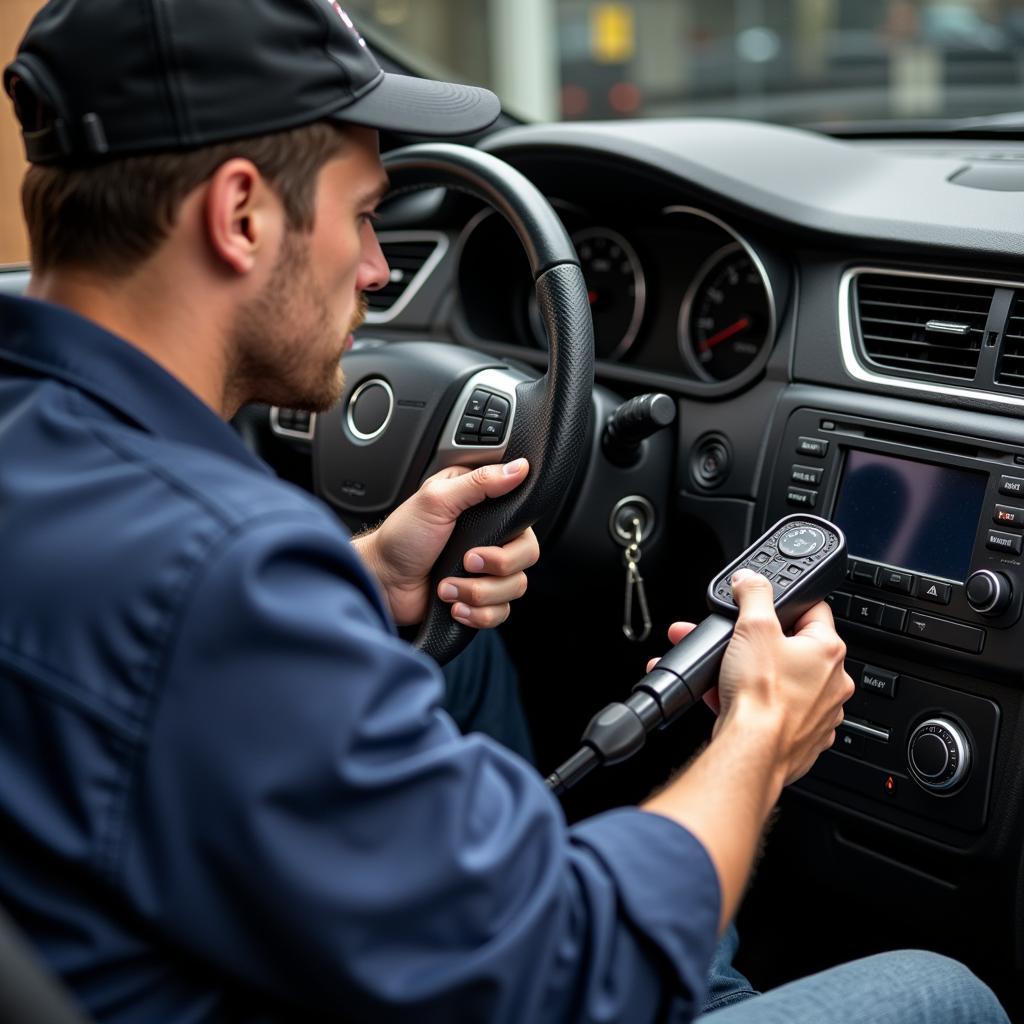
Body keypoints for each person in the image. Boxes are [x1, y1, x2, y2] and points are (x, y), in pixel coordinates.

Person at [0, 2, 1008, 1023]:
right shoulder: (224, 570)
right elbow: (571, 961)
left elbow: (139, 642)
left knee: (452, 642)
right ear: (241, 215)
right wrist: (759, 734)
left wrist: (363, 581)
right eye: (362, 215)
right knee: (944, 992)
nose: (379, 269)